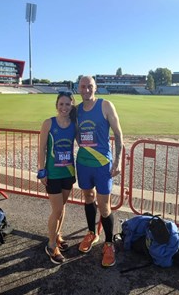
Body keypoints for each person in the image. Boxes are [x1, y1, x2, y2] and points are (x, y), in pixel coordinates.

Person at [76, 76, 123, 267]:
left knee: (104, 206)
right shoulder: (76, 110)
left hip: (103, 164)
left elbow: (119, 135)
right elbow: (77, 134)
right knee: (88, 198)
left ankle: (109, 243)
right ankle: (91, 233)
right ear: (78, 88)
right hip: (84, 163)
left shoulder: (105, 105)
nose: (86, 89)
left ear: (95, 88)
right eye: (83, 86)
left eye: (90, 86)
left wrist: (117, 162)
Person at [38, 91, 76, 265]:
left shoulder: (74, 125)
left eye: (67, 104)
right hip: (53, 173)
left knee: (63, 206)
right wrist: (41, 170)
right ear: (56, 105)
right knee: (57, 210)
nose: (64, 107)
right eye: (61, 104)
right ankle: (51, 245)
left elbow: (83, 143)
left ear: (72, 105)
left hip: (68, 172)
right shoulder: (48, 123)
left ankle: (57, 235)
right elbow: (42, 149)